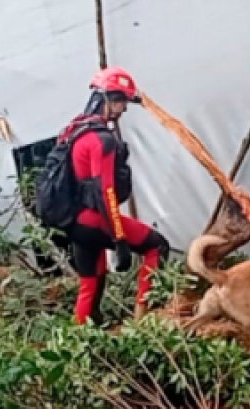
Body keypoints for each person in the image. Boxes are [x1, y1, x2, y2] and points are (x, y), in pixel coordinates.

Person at [60, 66, 169, 325]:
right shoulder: (101, 140)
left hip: (74, 222)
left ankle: (83, 336)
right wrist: (119, 239)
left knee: (91, 281)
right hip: (95, 219)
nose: (124, 108)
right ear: (107, 99)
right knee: (157, 246)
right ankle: (143, 318)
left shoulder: (75, 130)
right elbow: (105, 191)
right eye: (121, 101)